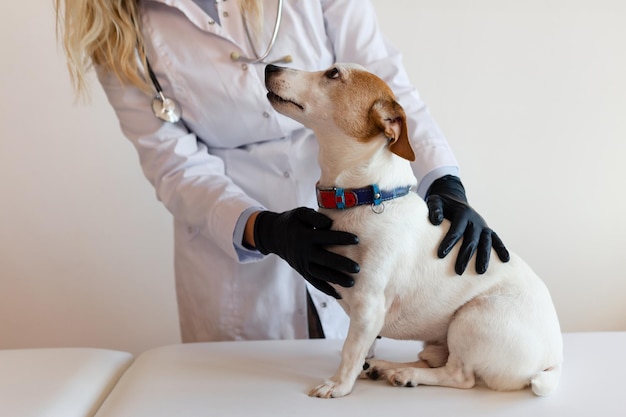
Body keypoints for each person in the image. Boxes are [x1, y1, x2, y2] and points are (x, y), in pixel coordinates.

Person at [55, 0, 509, 342]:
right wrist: (265, 230)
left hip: (361, 222)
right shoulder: (116, 28)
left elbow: (382, 82)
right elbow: (173, 164)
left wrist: (445, 182)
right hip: (236, 264)